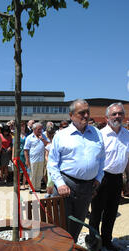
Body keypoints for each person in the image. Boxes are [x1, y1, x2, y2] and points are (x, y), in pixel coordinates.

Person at [47, 99, 105, 242]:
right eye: (81, 113)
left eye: (87, 112)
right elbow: (52, 162)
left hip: (87, 187)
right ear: (71, 115)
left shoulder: (97, 134)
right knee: (59, 225)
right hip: (65, 186)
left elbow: (102, 159)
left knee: (77, 224)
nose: (86, 116)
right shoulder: (61, 135)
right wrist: (60, 184)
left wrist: (98, 178)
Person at [86, 103, 129, 251]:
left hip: (117, 178)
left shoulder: (127, 135)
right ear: (107, 118)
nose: (117, 116)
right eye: (114, 114)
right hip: (101, 178)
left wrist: (128, 179)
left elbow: (127, 159)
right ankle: (94, 241)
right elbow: (93, 159)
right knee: (96, 212)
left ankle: (107, 240)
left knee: (111, 212)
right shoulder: (100, 135)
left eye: (120, 113)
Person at [24, 122, 48, 193]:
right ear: (34, 129)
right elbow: (26, 150)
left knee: (40, 174)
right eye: (39, 129)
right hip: (32, 160)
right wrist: (27, 160)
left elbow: (48, 145)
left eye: (41, 129)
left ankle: (37, 188)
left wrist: (43, 139)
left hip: (41, 159)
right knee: (33, 175)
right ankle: (32, 189)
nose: (41, 131)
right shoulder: (29, 138)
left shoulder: (43, 136)